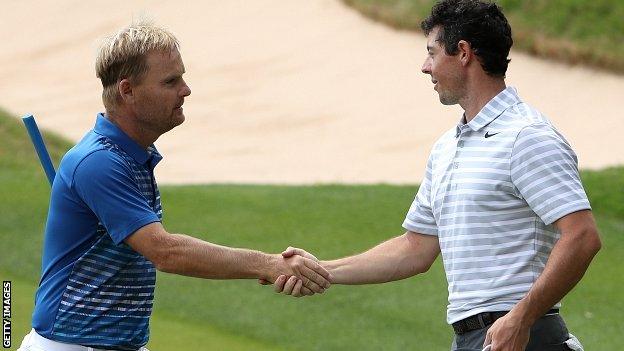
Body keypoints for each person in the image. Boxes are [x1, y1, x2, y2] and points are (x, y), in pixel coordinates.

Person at [271, 1, 601, 350]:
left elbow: (582, 236)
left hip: (523, 336)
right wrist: (321, 271)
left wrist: (521, 318)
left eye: (432, 53)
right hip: (474, 337)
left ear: (463, 53)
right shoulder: (447, 147)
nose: (425, 67)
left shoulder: (526, 136)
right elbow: (416, 248)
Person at [18, 21, 330, 351]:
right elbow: (165, 252)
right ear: (128, 91)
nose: (186, 89)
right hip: (72, 344)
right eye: (170, 81)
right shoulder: (98, 161)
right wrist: (267, 263)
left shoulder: (131, 156)